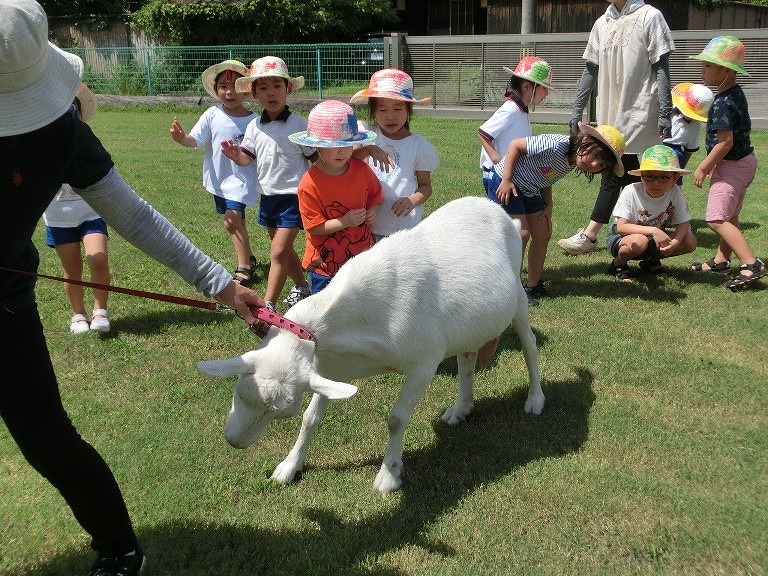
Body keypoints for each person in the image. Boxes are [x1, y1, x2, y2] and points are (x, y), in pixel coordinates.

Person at [0, 2, 264, 575]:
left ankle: (119, 549)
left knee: (45, 437)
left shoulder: (61, 132)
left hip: (4, 303)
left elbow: (134, 216)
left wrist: (222, 284)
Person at [558, 0, 675, 256]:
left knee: (615, 167)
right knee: (628, 174)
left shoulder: (650, 16)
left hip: (640, 109)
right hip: (609, 111)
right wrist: (576, 110)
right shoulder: (602, 23)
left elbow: (661, 67)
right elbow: (590, 69)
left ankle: (592, 234)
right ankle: (648, 229)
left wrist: (665, 112)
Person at [490, 122, 625, 303]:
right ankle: (511, 289)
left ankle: (533, 286)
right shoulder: (555, 144)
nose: (594, 164)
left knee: (543, 233)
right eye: (595, 156)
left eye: (600, 165)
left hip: (530, 189)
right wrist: (506, 179)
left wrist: (549, 204)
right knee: (521, 234)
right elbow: (515, 145)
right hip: (507, 182)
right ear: (586, 139)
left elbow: (546, 176)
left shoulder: (572, 160)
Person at [222, 56, 314, 312]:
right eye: (263, 88)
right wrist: (235, 155)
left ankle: (267, 305)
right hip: (269, 198)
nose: (270, 93)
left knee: (277, 252)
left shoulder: (300, 124)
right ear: (253, 93)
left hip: (294, 197)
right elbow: (246, 158)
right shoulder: (254, 126)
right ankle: (303, 287)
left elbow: (315, 159)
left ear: (288, 88)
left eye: (276, 86)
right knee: (283, 250)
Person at [170, 59, 261, 287]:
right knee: (237, 221)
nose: (229, 92)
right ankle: (248, 256)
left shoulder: (254, 121)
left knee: (231, 220)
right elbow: (196, 140)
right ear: (215, 89)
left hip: (242, 180)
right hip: (219, 180)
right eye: (223, 86)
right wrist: (182, 138)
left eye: (235, 86)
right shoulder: (212, 114)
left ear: (246, 89)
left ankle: (244, 269)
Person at [688, 35, 766, 289]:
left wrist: (704, 167)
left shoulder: (722, 102)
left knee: (716, 219)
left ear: (725, 70)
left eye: (707, 65)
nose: (702, 70)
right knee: (730, 216)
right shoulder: (735, 94)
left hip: (732, 165)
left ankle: (751, 264)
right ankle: (721, 261)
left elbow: (725, 143)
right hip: (743, 163)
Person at [288, 100, 383, 294]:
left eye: (347, 145)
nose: (343, 151)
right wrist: (345, 221)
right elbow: (314, 227)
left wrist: (373, 210)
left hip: (361, 258)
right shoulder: (309, 184)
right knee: (326, 307)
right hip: (325, 266)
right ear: (316, 146)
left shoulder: (362, 170)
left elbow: (375, 195)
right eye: (334, 146)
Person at [43, 83, 113, 334]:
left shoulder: (87, 142)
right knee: (72, 271)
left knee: (98, 258)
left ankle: (100, 310)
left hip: (91, 214)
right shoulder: (40, 147)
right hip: (58, 220)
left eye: (72, 108)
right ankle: (78, 314)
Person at [348, 68, 440, 240]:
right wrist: (369, 149)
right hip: (366, 221)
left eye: (398, 109)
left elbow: (425, 187)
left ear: (409, 109)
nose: (390, 116)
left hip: (403, 227)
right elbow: (349, 158)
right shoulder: (366, 134)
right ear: (373, 111)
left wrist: (412, 200)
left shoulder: (418, 146)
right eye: (383, 110)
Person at [605, 145, 697, 281]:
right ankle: (618, 264)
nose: (656, 183)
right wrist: (654, 231)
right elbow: (621, 227)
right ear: (641, 176)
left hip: (653, 239)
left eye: (663, 177)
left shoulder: (675, 191)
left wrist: (675, 243)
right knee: (639, 241)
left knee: (690, 241)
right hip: (623, 238)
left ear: (675, 177)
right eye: (649, 176)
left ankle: (650, 261)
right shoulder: (631, 191)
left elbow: (684, 222)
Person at [478, 56, 553, 202]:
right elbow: (483, 133)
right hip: (498, 176)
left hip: (512, 174)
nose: (547, 93)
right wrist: (498, 161)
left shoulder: (521, 111)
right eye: (544, 88)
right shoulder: (510, 110)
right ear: (527, 87)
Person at [663, 82, 713, 184]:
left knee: (672, 185)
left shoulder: (695, 125)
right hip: (658, 147)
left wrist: (680, 170)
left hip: (676, 155)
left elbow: (689, 150)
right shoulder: (668, 110)